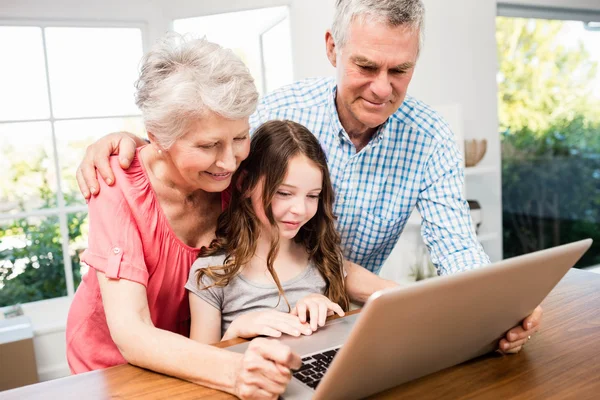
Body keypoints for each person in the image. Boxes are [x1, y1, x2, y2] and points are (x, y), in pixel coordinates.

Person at [75, 0, 541, 354]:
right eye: (365, 66)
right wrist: (131, 141)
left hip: (327, 318)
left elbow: (456, 246)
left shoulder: (430, 137)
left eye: (400, 70)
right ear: (332, 48)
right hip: (198, 337)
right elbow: (196, 133)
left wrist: (491, 309)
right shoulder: (278, 116)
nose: (383, 88)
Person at [65, 34, 304, 400]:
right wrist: (235, 370)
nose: (229, 161)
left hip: (201, 353)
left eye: (240, 137)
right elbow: (133, 333)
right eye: (209, 146)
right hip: (113, 367)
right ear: (158, 137)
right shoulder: (117, 185)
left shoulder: (236, 176)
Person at [187, 120, 359, 344]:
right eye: (284, 193)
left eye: (313, 195)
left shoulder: (323, 258)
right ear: (245, 183)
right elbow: (199, 366)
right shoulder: (211, 273)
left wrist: (327, 315)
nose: (299, 209)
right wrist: (235, 331)